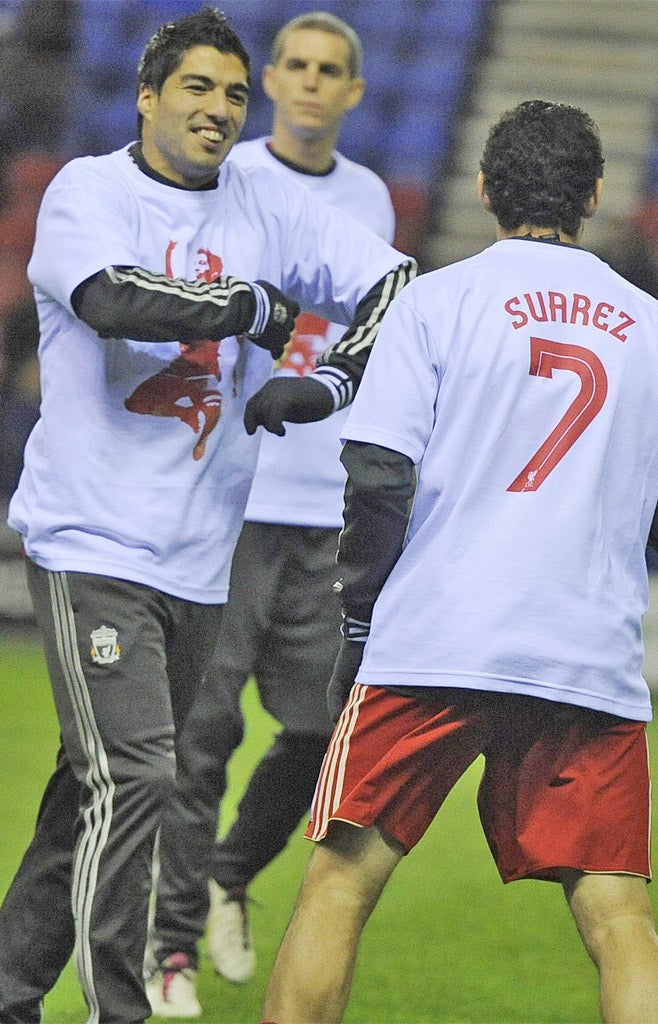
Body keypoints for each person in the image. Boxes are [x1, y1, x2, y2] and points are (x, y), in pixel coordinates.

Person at [260, 100, 658, 1024]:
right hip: (585, 656)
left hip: (435, 642)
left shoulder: (437, 302)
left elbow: (376, 473)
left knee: (338, 889)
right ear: (597, 196)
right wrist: (625, 523)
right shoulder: (654, 325)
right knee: (618, 914)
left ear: (486, 188)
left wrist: (362, 621)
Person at [0, 7, 415, 1023]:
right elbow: (111, 299)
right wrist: (255, 309)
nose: (219, 109)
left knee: (90, 787)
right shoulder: (88, 192)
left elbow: (396, 285)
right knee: (139, 773)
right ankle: (122, 1008)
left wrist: (324, 386)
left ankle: (8, 990)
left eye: (233, 93)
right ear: (147, 96)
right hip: (90, 540)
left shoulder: (270, 209)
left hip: (199, 562)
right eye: (197, 87)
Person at [144, 11, 396, 1017]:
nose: (307, 83)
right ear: (273, 80)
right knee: (201, 729)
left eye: (329, 70)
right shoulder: (233, 179)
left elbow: (382, 328)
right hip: (237, 495)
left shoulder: (369, 199)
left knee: (321, 724)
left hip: (327, 503)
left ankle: (229, 872)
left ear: (353, 93)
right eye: (291, 65)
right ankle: (169, 949)